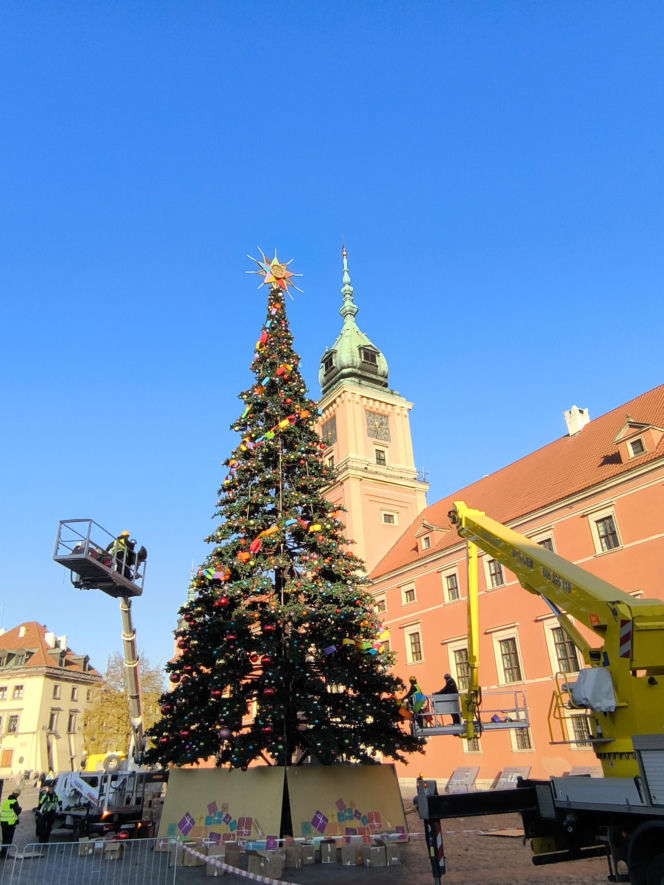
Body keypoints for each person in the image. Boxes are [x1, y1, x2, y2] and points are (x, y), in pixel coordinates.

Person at [0, 791, 22, 859]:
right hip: (10, 823)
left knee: (4, 838)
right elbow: (17, 811)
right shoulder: (14, 802)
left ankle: (3, 852)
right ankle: (4, 853)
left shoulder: (5, 801)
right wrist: (20, 808)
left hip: (3, 822)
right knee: (8, 839)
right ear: (17, 795)